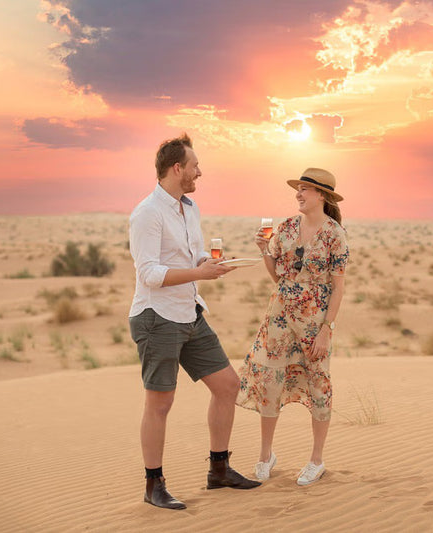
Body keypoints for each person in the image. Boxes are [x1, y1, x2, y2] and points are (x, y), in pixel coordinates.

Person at [128, 134, 261, 510]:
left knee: (228, 386)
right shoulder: (147, 213)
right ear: (177, 168)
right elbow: (150, 274)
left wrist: (213, 264)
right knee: (160, 403)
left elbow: (193, 254)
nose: (199, 171)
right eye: (195, 165)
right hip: (157, 318)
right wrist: (199, 274)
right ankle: (154, 485)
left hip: (190, 313)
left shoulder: (190, 208)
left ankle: (219, 470)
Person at [236, 168, 349, 486]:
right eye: (298, 189)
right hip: (279, 317)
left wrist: (327, 329)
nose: (299, 194)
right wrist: (263, 250)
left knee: (318, 385)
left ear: (322, 196)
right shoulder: (285, 228)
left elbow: (338, 288)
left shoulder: (334, 234)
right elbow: (279, 277)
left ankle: (316, 460)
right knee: (271, 380)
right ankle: (265, 455)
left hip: (315, 323)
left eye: (305, 189)